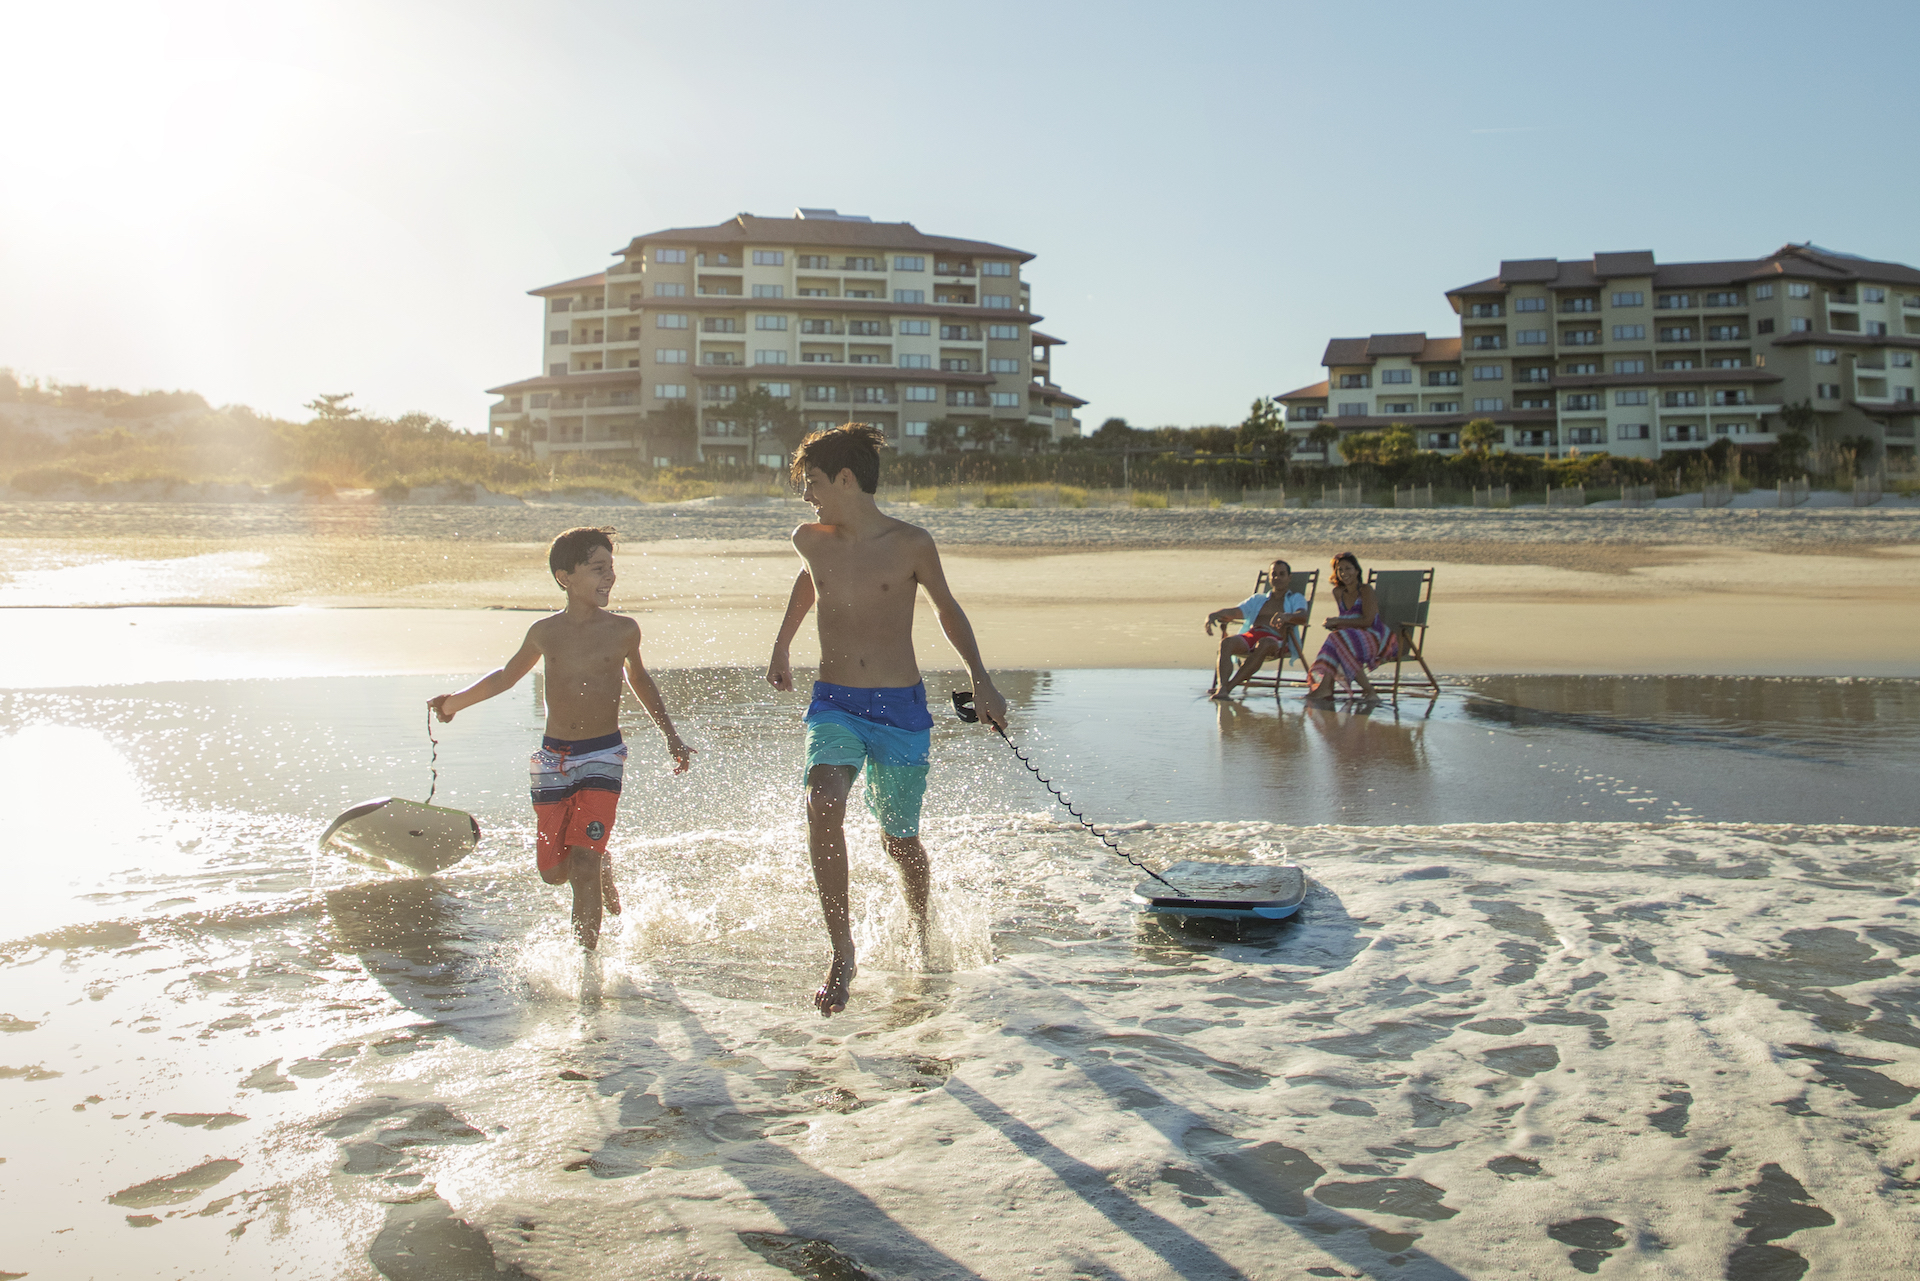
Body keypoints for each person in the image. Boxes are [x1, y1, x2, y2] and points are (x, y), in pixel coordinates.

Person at [765, 424, 1007, 1018]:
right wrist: (781, 643)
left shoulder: (911, 544)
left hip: (900, 711)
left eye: (813, 483)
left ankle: (922, 930)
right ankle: (843, 950)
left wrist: (981, 677)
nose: (806, 496)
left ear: (845, 480)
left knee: (900, 842)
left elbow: (947, 609)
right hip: (836, 704)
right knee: (824, 799)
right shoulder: (809, 538)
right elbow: (810, 581)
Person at [428, 526, 693, 950]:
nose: (608, 577)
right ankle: (600, 858)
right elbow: (504, 678)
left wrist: (671, 736)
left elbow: (640, 681)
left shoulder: (624, 630)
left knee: (582, 866)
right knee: (554, 871)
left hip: (604, 755)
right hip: (553, 759)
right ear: (564, 577)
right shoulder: (545, 632)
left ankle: (587, 974)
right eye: (597, 568)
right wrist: (453, 704)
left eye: (611, 568)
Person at [1206, 558, 1309, 699]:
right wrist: (1214, 614)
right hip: (1252, 635)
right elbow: (1236, 612)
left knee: (1265, 643)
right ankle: (1222, 687)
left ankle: (1228, 687)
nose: (1277, 577)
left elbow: (1303, 615)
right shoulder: (1258, 599)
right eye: (1274, 574)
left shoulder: (1295, 598)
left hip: (1277, 640)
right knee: (1226, 642)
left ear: (1289, 578)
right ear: (1269, 577)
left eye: (1281, 574)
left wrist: (1287, 617)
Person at [1305, 551, 1399, 702]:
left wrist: (1337, 622)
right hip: (1351, 639)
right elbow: (1346, 622)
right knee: (1336, 639)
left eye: (1348, 568)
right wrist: (1334, 624)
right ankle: (1327, 688)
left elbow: (1367, 621)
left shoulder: (1365, 590)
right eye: (1340, 570)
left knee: (1336, 639)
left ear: (1357, 571)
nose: (1344, 573)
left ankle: (1366, 690)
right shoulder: (1338, 592)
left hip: (1376, 638)